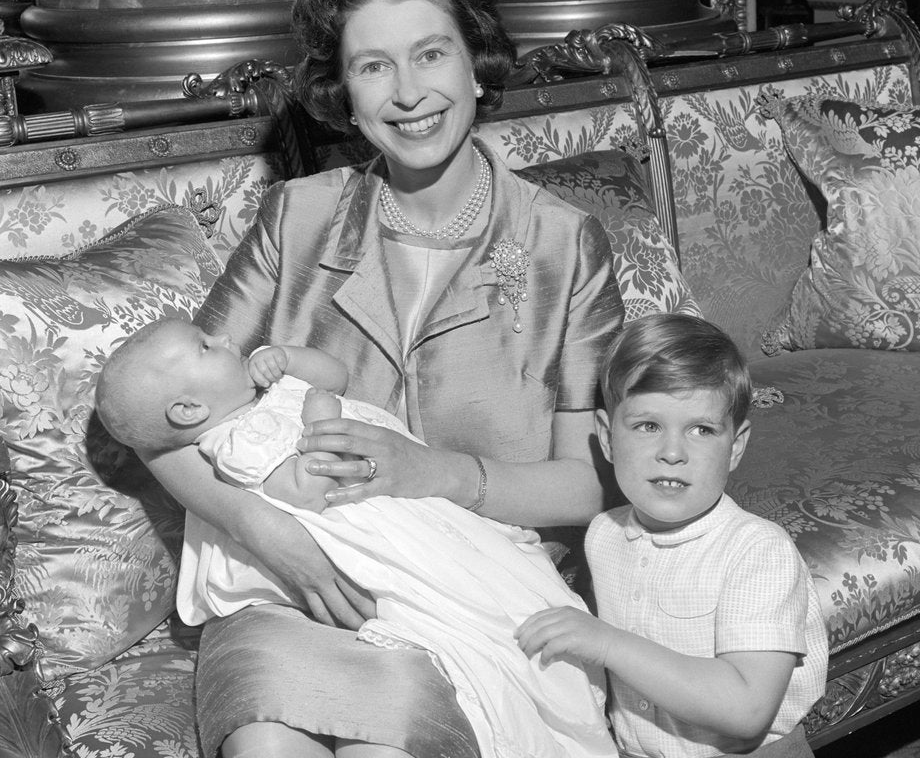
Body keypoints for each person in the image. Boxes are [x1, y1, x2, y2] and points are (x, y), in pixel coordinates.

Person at [135, 0, 626, 758]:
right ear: (346, 95)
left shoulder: (561, 244)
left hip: (470, 583)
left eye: (431, 54)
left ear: (477, 62)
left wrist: (433, 474)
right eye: (373, 66)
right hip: (293, 585)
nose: (408, 93)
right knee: (267, 748)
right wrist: (265, 533)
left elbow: (585, 485)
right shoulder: (297, 219)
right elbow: (162, 424)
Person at [95, 317, 617, 758]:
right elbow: (309, 484)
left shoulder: (258, 389)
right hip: (333, 557)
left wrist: (288, 359)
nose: (230, 340)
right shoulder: (236, 440)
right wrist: (312, 431)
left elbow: (336, 374)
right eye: (208, 346)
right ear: (188, 411)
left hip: (412, 508)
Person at [516, 313, 829, 758]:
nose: (672, 453)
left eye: (701, 430)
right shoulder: (604, 535)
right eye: (648, 426)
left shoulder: (758, 552)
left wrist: (607, 643)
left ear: (735, 446)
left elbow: (746, 711)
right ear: (607, 438)